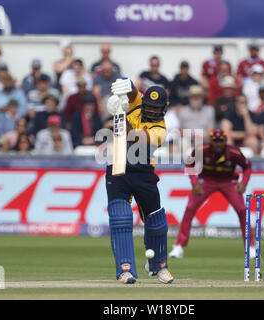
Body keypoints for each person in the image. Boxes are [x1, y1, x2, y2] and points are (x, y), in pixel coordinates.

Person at [105, 78, 174, 284]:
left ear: (163, 110)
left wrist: (119, 113)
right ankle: (125, 270)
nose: (152, 111)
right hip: (118, 167)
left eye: (156, 109)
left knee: (156, 221)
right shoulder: (137, 104)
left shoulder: (160, 131)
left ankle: (158, 266)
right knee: (121, 218)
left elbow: (132, 135)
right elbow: (132, 91)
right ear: (145, 103)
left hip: (143, 172)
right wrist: (127, 83)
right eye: (149, 107)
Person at [169, 129, 254, 259]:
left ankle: (250, 246)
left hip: (228, 182)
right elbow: (189, 163)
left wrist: (244, 183)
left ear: (225, 141)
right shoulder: (201, 150)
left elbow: (247, 167)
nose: (218, 144)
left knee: (242, 210)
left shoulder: (234, 152)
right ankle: (179, 246)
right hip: (206, 181)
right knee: (190, 208)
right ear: (211, 141)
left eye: (221, 141)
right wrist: (194, 183)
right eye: (215, 141)